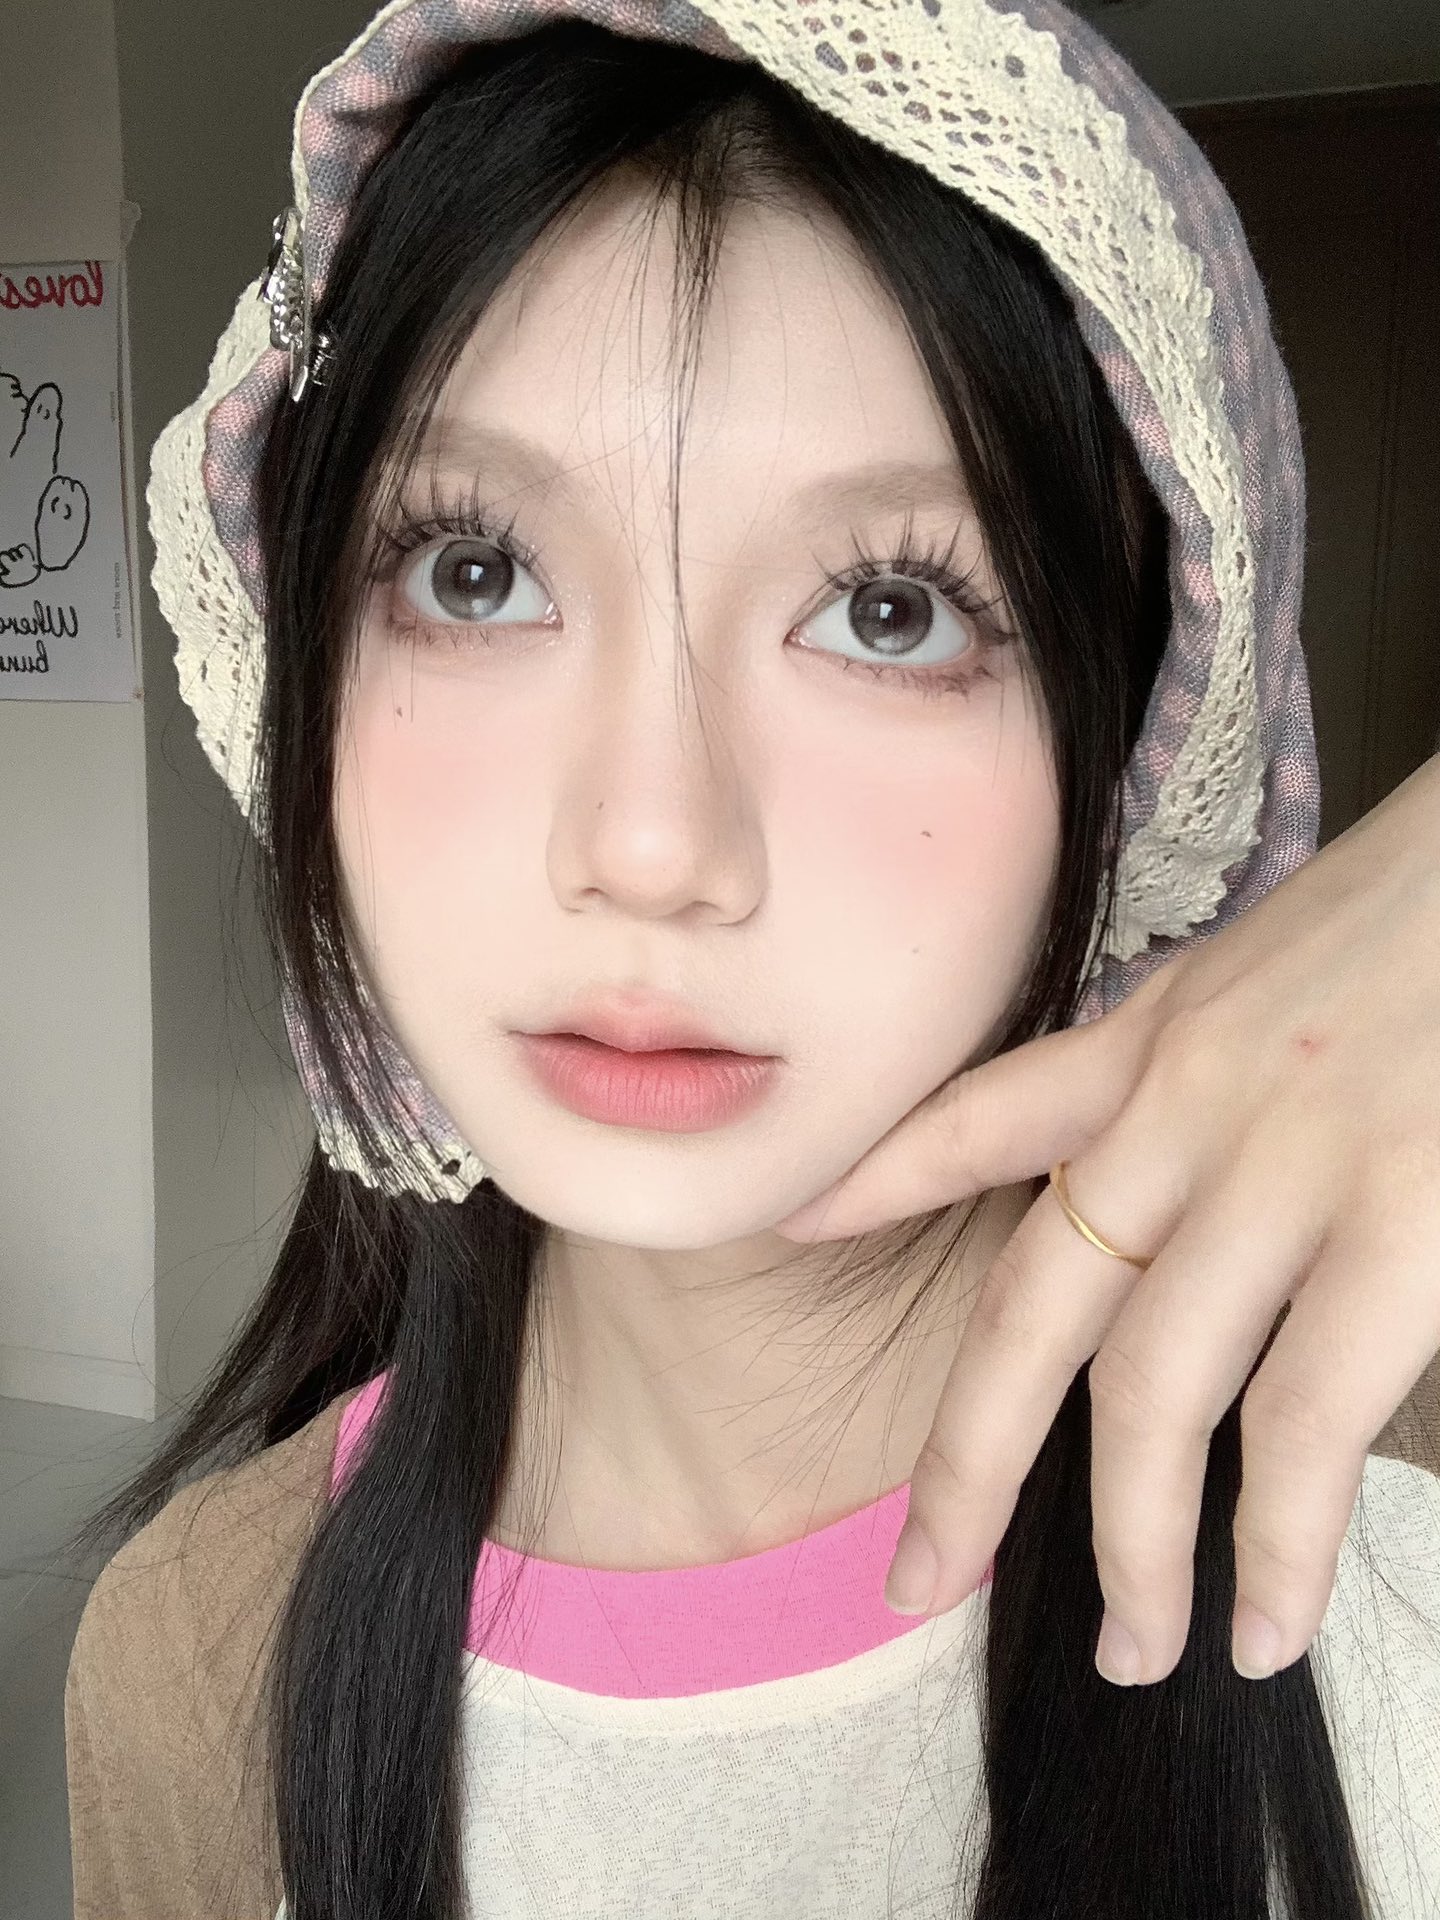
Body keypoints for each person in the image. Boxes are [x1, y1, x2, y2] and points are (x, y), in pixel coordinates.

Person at [61, 1, 1440, 1916]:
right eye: (475, 572)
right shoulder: (196, 1658)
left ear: (1135, 744)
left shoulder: (1387, 1474)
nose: (651, 845)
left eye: (888, 610)